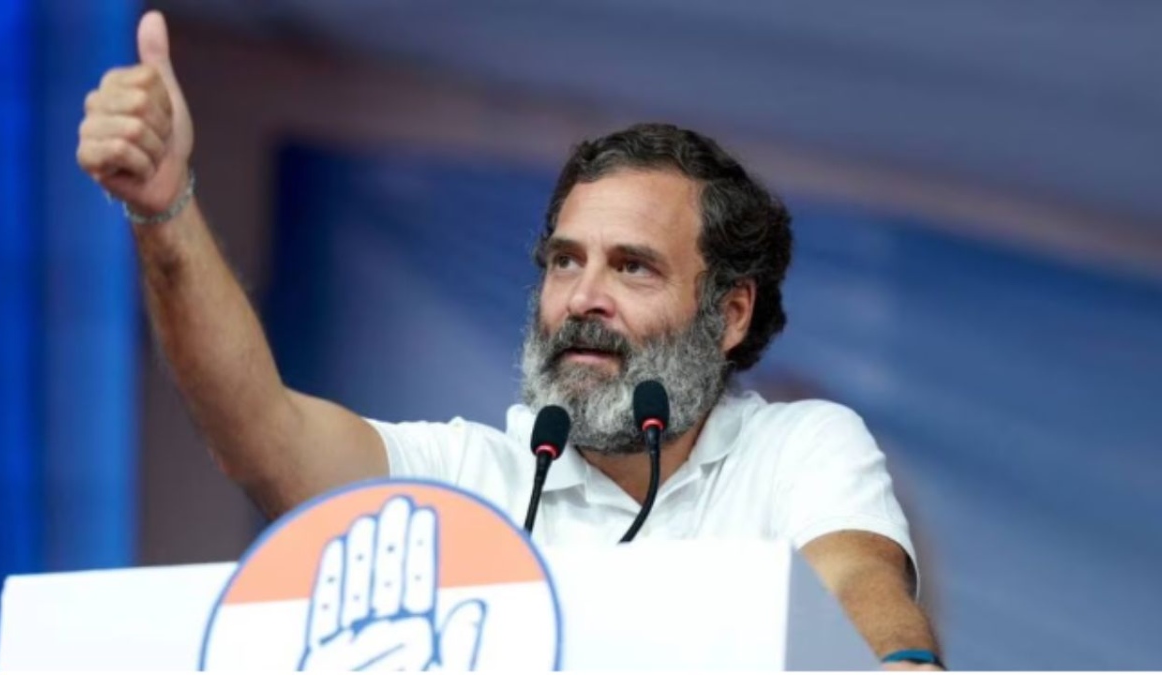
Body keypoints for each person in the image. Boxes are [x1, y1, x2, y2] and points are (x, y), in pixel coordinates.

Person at [77, 11, 943, 670]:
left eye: (633, 267)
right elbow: (259, 431)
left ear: (730, 314)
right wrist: (164, 211)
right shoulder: (472, 479)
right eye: (566, 261)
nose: (584, 297)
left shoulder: (797, 447)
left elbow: (858, 584)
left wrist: (898, 663)